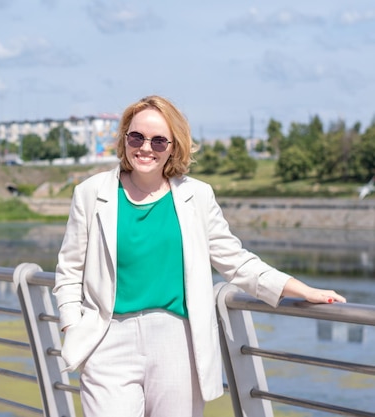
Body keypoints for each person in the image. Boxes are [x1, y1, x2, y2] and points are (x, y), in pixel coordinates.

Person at [52, 94, 346, 417]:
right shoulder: (91, 193)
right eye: (136, 137)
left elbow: (236, 261)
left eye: (158, 140)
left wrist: (302, 289)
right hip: (107, 340)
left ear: (173, 147)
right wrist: (71, 327)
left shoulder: (197, 196)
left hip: (177, 343)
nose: (145, 148)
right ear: (124, 139)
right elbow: (69, 271)